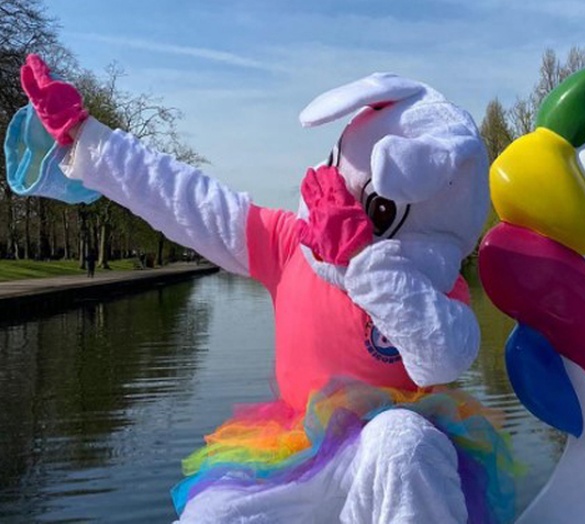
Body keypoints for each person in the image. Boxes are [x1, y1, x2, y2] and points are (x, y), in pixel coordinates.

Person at [17, 55, 516, 523]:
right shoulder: (289, 244)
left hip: (383, 456)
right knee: (215, 514)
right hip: (299, 452)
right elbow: (187, 200)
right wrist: (91, 140)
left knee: (403, 442)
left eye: (373, 206)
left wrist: (363, 258)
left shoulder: (435, 287)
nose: (343, 205)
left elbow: (442, 358)